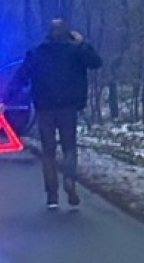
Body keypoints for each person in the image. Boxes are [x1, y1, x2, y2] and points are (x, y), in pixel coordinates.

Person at [10, 18, 102, 209]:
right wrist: (82, 43)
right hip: (69, 108)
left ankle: (52, 195)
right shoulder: (75, 51)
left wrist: (5, 98)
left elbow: (20, 77)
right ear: (67, 33)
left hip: (44, 109)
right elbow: (96, 62)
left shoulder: (36, 53)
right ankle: (69, 179)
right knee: (69, 147)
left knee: (48, 152)